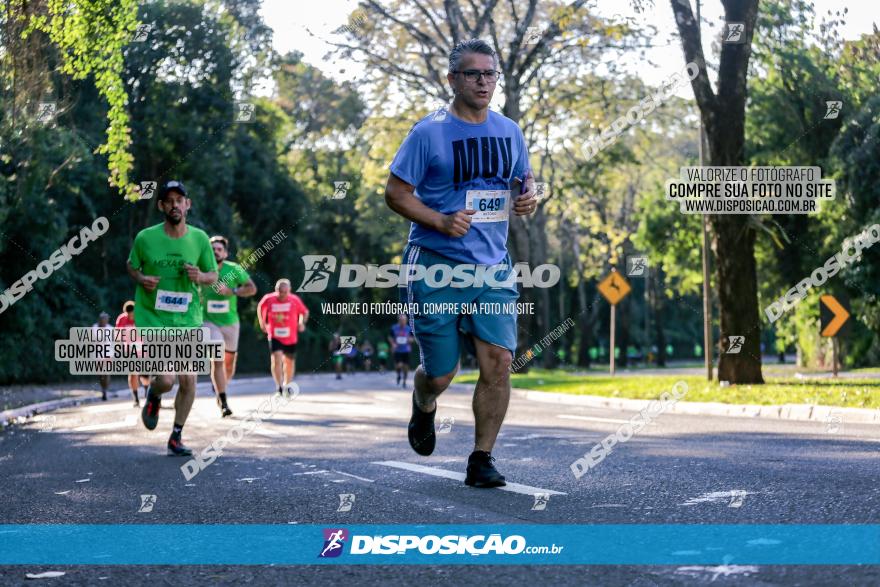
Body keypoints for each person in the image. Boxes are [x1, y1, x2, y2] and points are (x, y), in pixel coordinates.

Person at [384, 39, 537, 488]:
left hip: (492, 267)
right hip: (436, 264)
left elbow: (523, 181)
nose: (483, 81)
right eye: (473, 74)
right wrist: (441, 221)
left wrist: (529, 195)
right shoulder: (428, 133)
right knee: (442, 372)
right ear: (452, 79)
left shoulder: (509, 130)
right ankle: (424, 399)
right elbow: (395, 194)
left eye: (490, 74)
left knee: (498, 361)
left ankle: (481, 458)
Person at [127, 180, 218, 456]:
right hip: (154, 318)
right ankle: (154, 394)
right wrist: (142, 278)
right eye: (170, 200)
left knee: (189, 380)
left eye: (180, 200)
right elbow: (131, 266)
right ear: (162, 206)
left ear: (187, 205)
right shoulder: (145, 237)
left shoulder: (200, 239)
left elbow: (212, 275)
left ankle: (176, 436)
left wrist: (200, 277)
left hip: (187, 319)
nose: (175, 204)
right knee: (166, 380)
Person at [202, 235, 257, 417]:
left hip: (231, 323)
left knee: (229, 364)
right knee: (216, 357)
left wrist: (232, 291)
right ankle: (223, 401)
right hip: (208, 321)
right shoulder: (202, 268)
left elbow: (252, 288)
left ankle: (220, 387)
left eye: (219, 249)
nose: (216, 251)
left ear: (225, 253)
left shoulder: (233, 270)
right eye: (213, 248)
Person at [257, 279, 309, 397]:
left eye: (285, 292)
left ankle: (287, 384)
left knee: (289, 362)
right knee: (276, 358)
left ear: (289, 291)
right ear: (276, 290)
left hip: (291, 337)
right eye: (280, 291)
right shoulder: (269, 299)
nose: (282, 294)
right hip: (275, 335)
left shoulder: (294, 300)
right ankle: (279, 386)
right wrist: (262, 322)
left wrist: (301, 323)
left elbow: (304, 312)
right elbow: (260, 307)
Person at [115, 300, 150, 407]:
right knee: (133, 374)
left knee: (145, 375)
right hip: (130, 351)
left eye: (133, 314)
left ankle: (147, 393)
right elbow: (117, 335)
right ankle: (136, 399)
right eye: (129, 315)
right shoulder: (122, 319)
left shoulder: (141, 318)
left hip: (143, 350)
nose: (131, 317)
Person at [92, 312, 113, 401]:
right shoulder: (94, 328)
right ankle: (103, 389)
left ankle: (105, 390)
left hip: (108, 353)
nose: (105, 321)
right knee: (101, 373)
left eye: (106, 319)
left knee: (107, 373)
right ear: (100, 319)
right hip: (98, 354)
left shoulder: (110, 328)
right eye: (103, 319)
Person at [389, 314, 414, 388]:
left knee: (406, 367)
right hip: (397, 350)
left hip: (406, 350)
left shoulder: (409, 329)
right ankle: (399, 375)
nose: (403, 322)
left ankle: (404, 381)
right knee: (398, 365)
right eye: (401, 320)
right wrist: (393, 344)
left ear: (406, 321)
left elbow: (412, 338)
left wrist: (410, 340)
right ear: (399, 321)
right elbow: (390, 337)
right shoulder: (394, 328)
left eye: (404, 320)